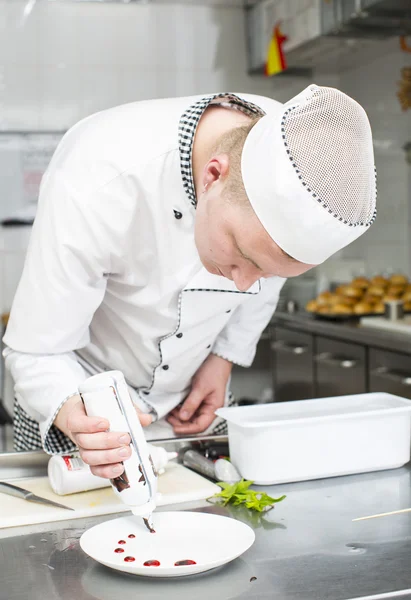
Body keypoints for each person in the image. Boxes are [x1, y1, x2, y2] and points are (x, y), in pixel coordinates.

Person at [3, 84, 377, 480]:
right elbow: (37, 352)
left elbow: (264, 284)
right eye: (242, 255)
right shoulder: (99, 176)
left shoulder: (289, 152)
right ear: (213, 174)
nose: (246, 285)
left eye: (267, 273)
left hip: (192, 410)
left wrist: (223, 359)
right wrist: (75, 413)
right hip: (75, 396)